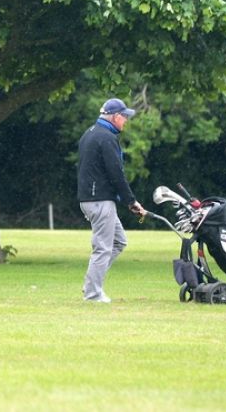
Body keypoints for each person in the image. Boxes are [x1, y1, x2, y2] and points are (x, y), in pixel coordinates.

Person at [77, 97, 147, 303]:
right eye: (124, 117)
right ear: (115, 117)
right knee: (103, 247)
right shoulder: (106, 138)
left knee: (118, 241)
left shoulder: (90, 133)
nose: (126, 120)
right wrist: (131, 201)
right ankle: (92, 294)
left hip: (91, 199)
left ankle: (91, 285)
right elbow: (116, 173)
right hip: (99, 200)